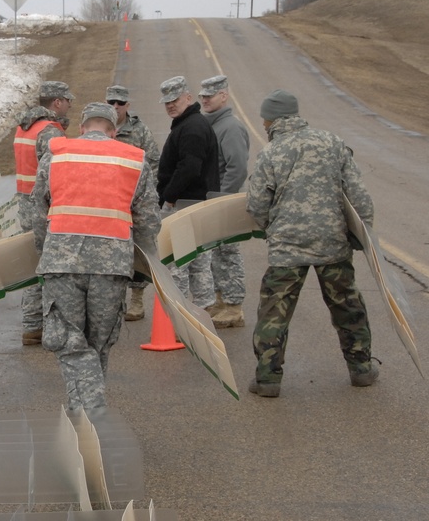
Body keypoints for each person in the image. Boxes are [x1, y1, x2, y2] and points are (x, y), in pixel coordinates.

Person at [246, 89, 378, 398]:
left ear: (272, 119)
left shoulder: (271, 152)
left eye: (264, 119)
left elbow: (255, 204)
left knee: (274, 312)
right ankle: (361, 370)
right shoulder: (332, 143)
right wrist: (361, 234)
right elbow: (359, 197)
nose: (263, 124)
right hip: (332, 244)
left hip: (287, 247)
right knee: (347, 306)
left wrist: (272, 228)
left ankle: (267, 378)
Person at [32, 102, 161, 412]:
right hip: (112, 266)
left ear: (82, 127)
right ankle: (89, 417)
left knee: (69, 342)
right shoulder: (133, 160)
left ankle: (88, 411)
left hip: (62, 263)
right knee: (98, 345)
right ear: (114, 131)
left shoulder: (56, 155)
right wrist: (143, 269)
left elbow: (38, 213)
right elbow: (148, 222)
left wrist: (44, 251)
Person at [13, 80, 73, 345]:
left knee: (31, 266)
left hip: (25, 206)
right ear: (57, 102)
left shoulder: (24, 127)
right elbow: (57, 174)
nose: (70, 105)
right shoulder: (50, 132)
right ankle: (49, 327)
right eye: (67, 101)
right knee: (51, 268)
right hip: (45, 208)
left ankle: (31, 325)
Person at [157, 76, 220, 309]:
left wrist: (169, 197)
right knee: (198, 261)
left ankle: (179, 315)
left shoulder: (192, 128)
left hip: (185, 204)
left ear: (188, 97)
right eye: (167, 102)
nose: (171, 105)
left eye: (175, 100)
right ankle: (204, 309)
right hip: (197, 204)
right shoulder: (191, 123)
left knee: (178, 262)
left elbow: (190, 168)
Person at [106, 84, 161, 321]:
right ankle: (113, 301)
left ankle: (137, 300)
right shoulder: (98, 128)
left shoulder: (139, 131)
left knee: (137, 251)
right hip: (108, 203)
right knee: (110, 252)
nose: (115, 107)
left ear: (128, 105)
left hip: (133, 202)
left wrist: (144, 195)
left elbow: (154, 163)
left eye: (120, 103)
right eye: (111, 103)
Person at [198, 75, 250, 328]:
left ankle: (234, 306)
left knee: (228, 254)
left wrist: (222, 199)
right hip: (212, 201)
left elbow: (237, 168)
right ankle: (221, 300)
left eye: (211, 95)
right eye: (203, 96)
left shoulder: (230, 126)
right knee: (216, 255)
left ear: (224, 96)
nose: (205, 99)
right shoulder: (212, 124)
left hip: (224, 202)